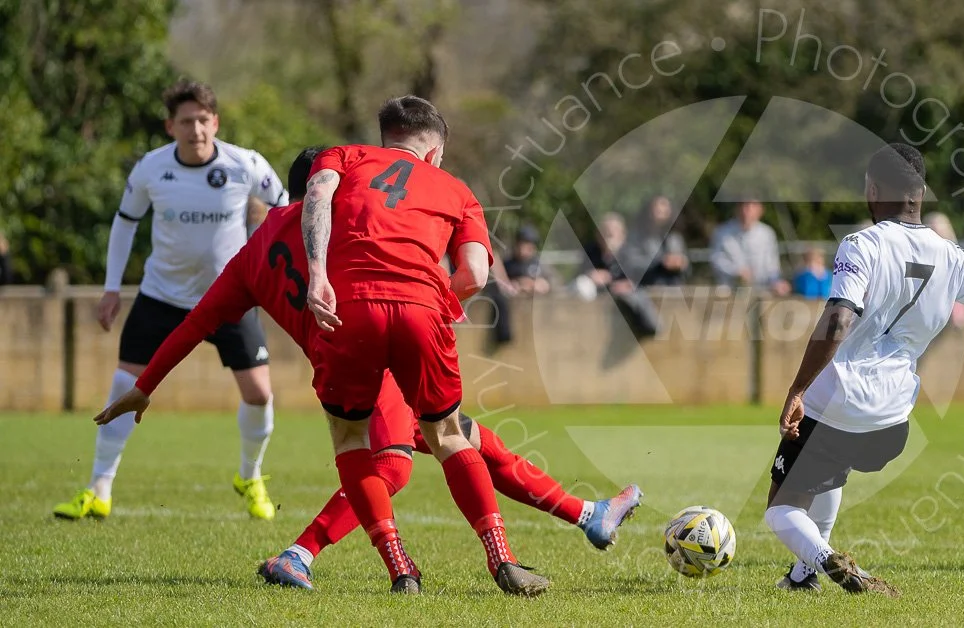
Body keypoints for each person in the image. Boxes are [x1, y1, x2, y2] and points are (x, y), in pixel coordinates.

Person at [92, 147, 640, 592]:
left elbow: (194, 324)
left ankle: (588, 514)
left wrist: (145, 387)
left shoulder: (249, 253)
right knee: (413, 456)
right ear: (327, 189)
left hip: (340, 361)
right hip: (379, 350)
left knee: (466, 436)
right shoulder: (341, 223)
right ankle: (302, 553)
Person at [764, 142, 964, 596]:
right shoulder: (953, 257)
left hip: (840, 398)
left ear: (873, 190)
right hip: (893, 423)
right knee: (827, 466)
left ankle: (828, 560)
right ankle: (804, 577)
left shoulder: (861, 244)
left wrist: (798, 388)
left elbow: (839, 317)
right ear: (920, 194)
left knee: (780, 510)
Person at [298, 96, 542, 595]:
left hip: (351, 306)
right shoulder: (456, 189)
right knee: (449, 434)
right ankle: (502, 557)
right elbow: (474, 272)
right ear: (434, 152)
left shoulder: (342, 156)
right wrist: (435, 302)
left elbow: (317, 197)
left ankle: (399, 567)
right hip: (422, 311)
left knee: (351, 439)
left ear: (386, 135)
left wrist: (318, 275)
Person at [54, 81, 286, 522]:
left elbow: (286, 209)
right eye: (186, 120)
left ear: (215, 122)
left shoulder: (246, 164)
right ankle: (98, 488)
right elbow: (125, 224)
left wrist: (272, 272)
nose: (196, 128)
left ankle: (250, 475)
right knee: (125, 387)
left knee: (259, 393)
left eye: (203, 119)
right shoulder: (150, 169)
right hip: (161, 296)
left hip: (227, 299)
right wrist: (110, 288)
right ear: (170, 126)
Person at [711, 200, 790, 295]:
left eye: (751, 206)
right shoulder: (722, 232)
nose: (746, 211)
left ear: (760, 210)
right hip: (730, 291)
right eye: (743, 206)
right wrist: (736, 271)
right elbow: (716, 260)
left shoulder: (767, 233)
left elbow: (772, 266)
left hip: (761, 291)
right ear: (736, 209)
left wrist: (777, 282)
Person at [623, 195, 689, 287]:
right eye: (657, 208)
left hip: (674, 291)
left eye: (665, 208)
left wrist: (681, 263)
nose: (661, 211)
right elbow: (631, 265)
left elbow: (687, 270)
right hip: (647, 290)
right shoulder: (637, 237)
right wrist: (660, 263)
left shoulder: (675, 238)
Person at [504, 225, 551, 295]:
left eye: (528, 246)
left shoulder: (540, 264)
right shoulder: (507, 265)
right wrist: (517, 283)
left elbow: (555, 284)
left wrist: (542, 284)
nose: (523, 249)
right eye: (521, 244)